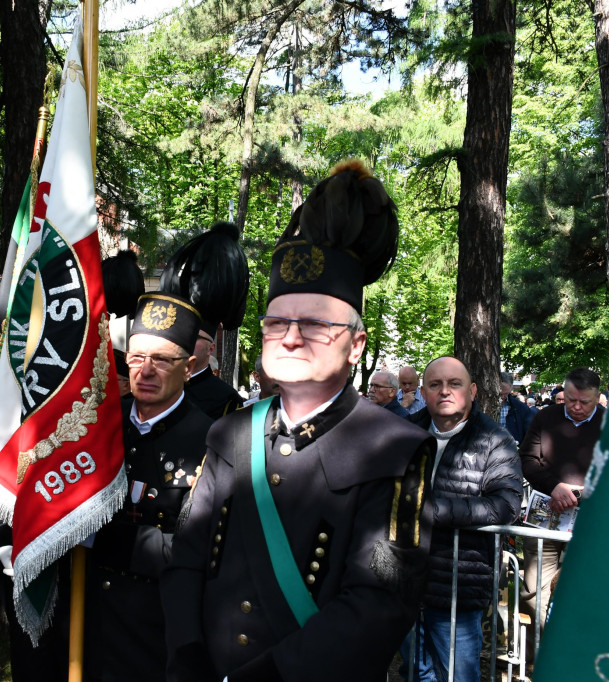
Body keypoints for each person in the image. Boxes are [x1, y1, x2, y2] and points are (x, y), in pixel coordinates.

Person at [162, 161, 435, 681]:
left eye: (313, 324)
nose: (289, 337)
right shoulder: (229, 434)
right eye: (277, 322)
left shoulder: (397, 448)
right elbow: (186, 560)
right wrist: (187, 660)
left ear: (356, 344)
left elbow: (380, 605)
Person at [83, 292, 214, 681]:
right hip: (89, 618)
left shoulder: (213, 441)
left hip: (157, 630)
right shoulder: (96, 426)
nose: (146, 370)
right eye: (137, 357)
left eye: (162, 359)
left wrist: (100, 538)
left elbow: (199, 552)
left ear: (189, 367)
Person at [405, 357, 522, 681]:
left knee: (458, 674)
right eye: (435, 384)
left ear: (472, 391)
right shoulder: (402, 434)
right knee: (415, 671)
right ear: (423, 391)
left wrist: (433, 511)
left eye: (454, 384)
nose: (445, 391)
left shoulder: (495, 441)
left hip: (458, 582)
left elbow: (506, 505)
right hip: (402, 579)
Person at [519, 367, 605, 651]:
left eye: (585, 402)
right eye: (570, 400)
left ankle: (579, 651)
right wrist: (554, 486)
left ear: (598, 398)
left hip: (592, 521)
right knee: (533, 590)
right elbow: (528, 460)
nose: (577, 407)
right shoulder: (545, 417)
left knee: (587, 587)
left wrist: (585, 493)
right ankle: (543, 653)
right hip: (545, 515)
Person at [159, 222, 250, 420]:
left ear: (210, 348)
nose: (186, 341)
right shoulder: (154, 387)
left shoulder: (226, 399)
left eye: (196, 336)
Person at [498, 371, 536, 444]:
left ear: (511, 388)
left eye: (505, 394)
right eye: (500, 394)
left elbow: (528, 433)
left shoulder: (520, 408)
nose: (502, 397)